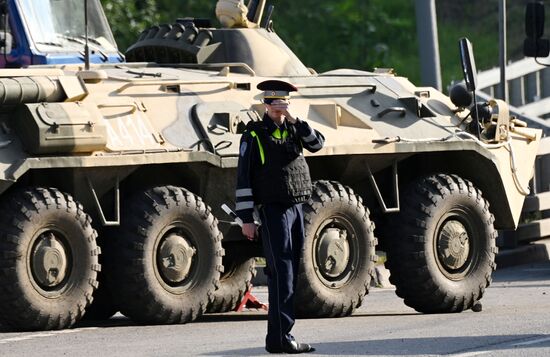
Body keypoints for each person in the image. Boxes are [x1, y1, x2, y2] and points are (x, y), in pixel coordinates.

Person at [235, 80, 325, 354]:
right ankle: (282, 336)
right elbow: (244, 177)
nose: (278, 108)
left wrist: (295, 120)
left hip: (296, 208)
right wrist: (246, 218)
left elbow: (317, 144)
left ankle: (279, 338)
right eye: (274, 104)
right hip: (273, 211)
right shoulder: (254, 134)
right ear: (265, 104)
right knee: (281, 273)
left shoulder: (295, 129)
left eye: (282, 103)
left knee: (291, 270)